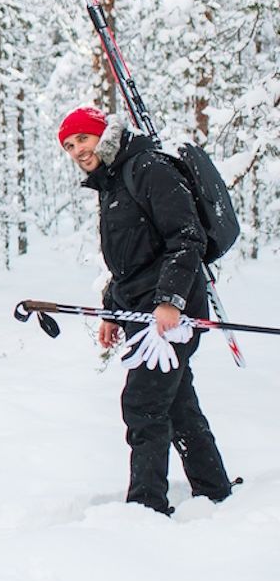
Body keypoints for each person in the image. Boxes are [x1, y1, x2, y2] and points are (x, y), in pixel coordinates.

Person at [59, 105, 238, 514]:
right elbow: (128, 264)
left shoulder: (148, 168)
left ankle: (146, 507)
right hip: (143, 313)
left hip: (172, 317)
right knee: (177, 403)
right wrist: (111, 312)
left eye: (82, 139)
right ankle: (214, 489)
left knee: (143, 403)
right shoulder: (112, 182)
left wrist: (170, 301)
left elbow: (186, 238)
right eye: (69, 145)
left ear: (103, 135)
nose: (77, 151)